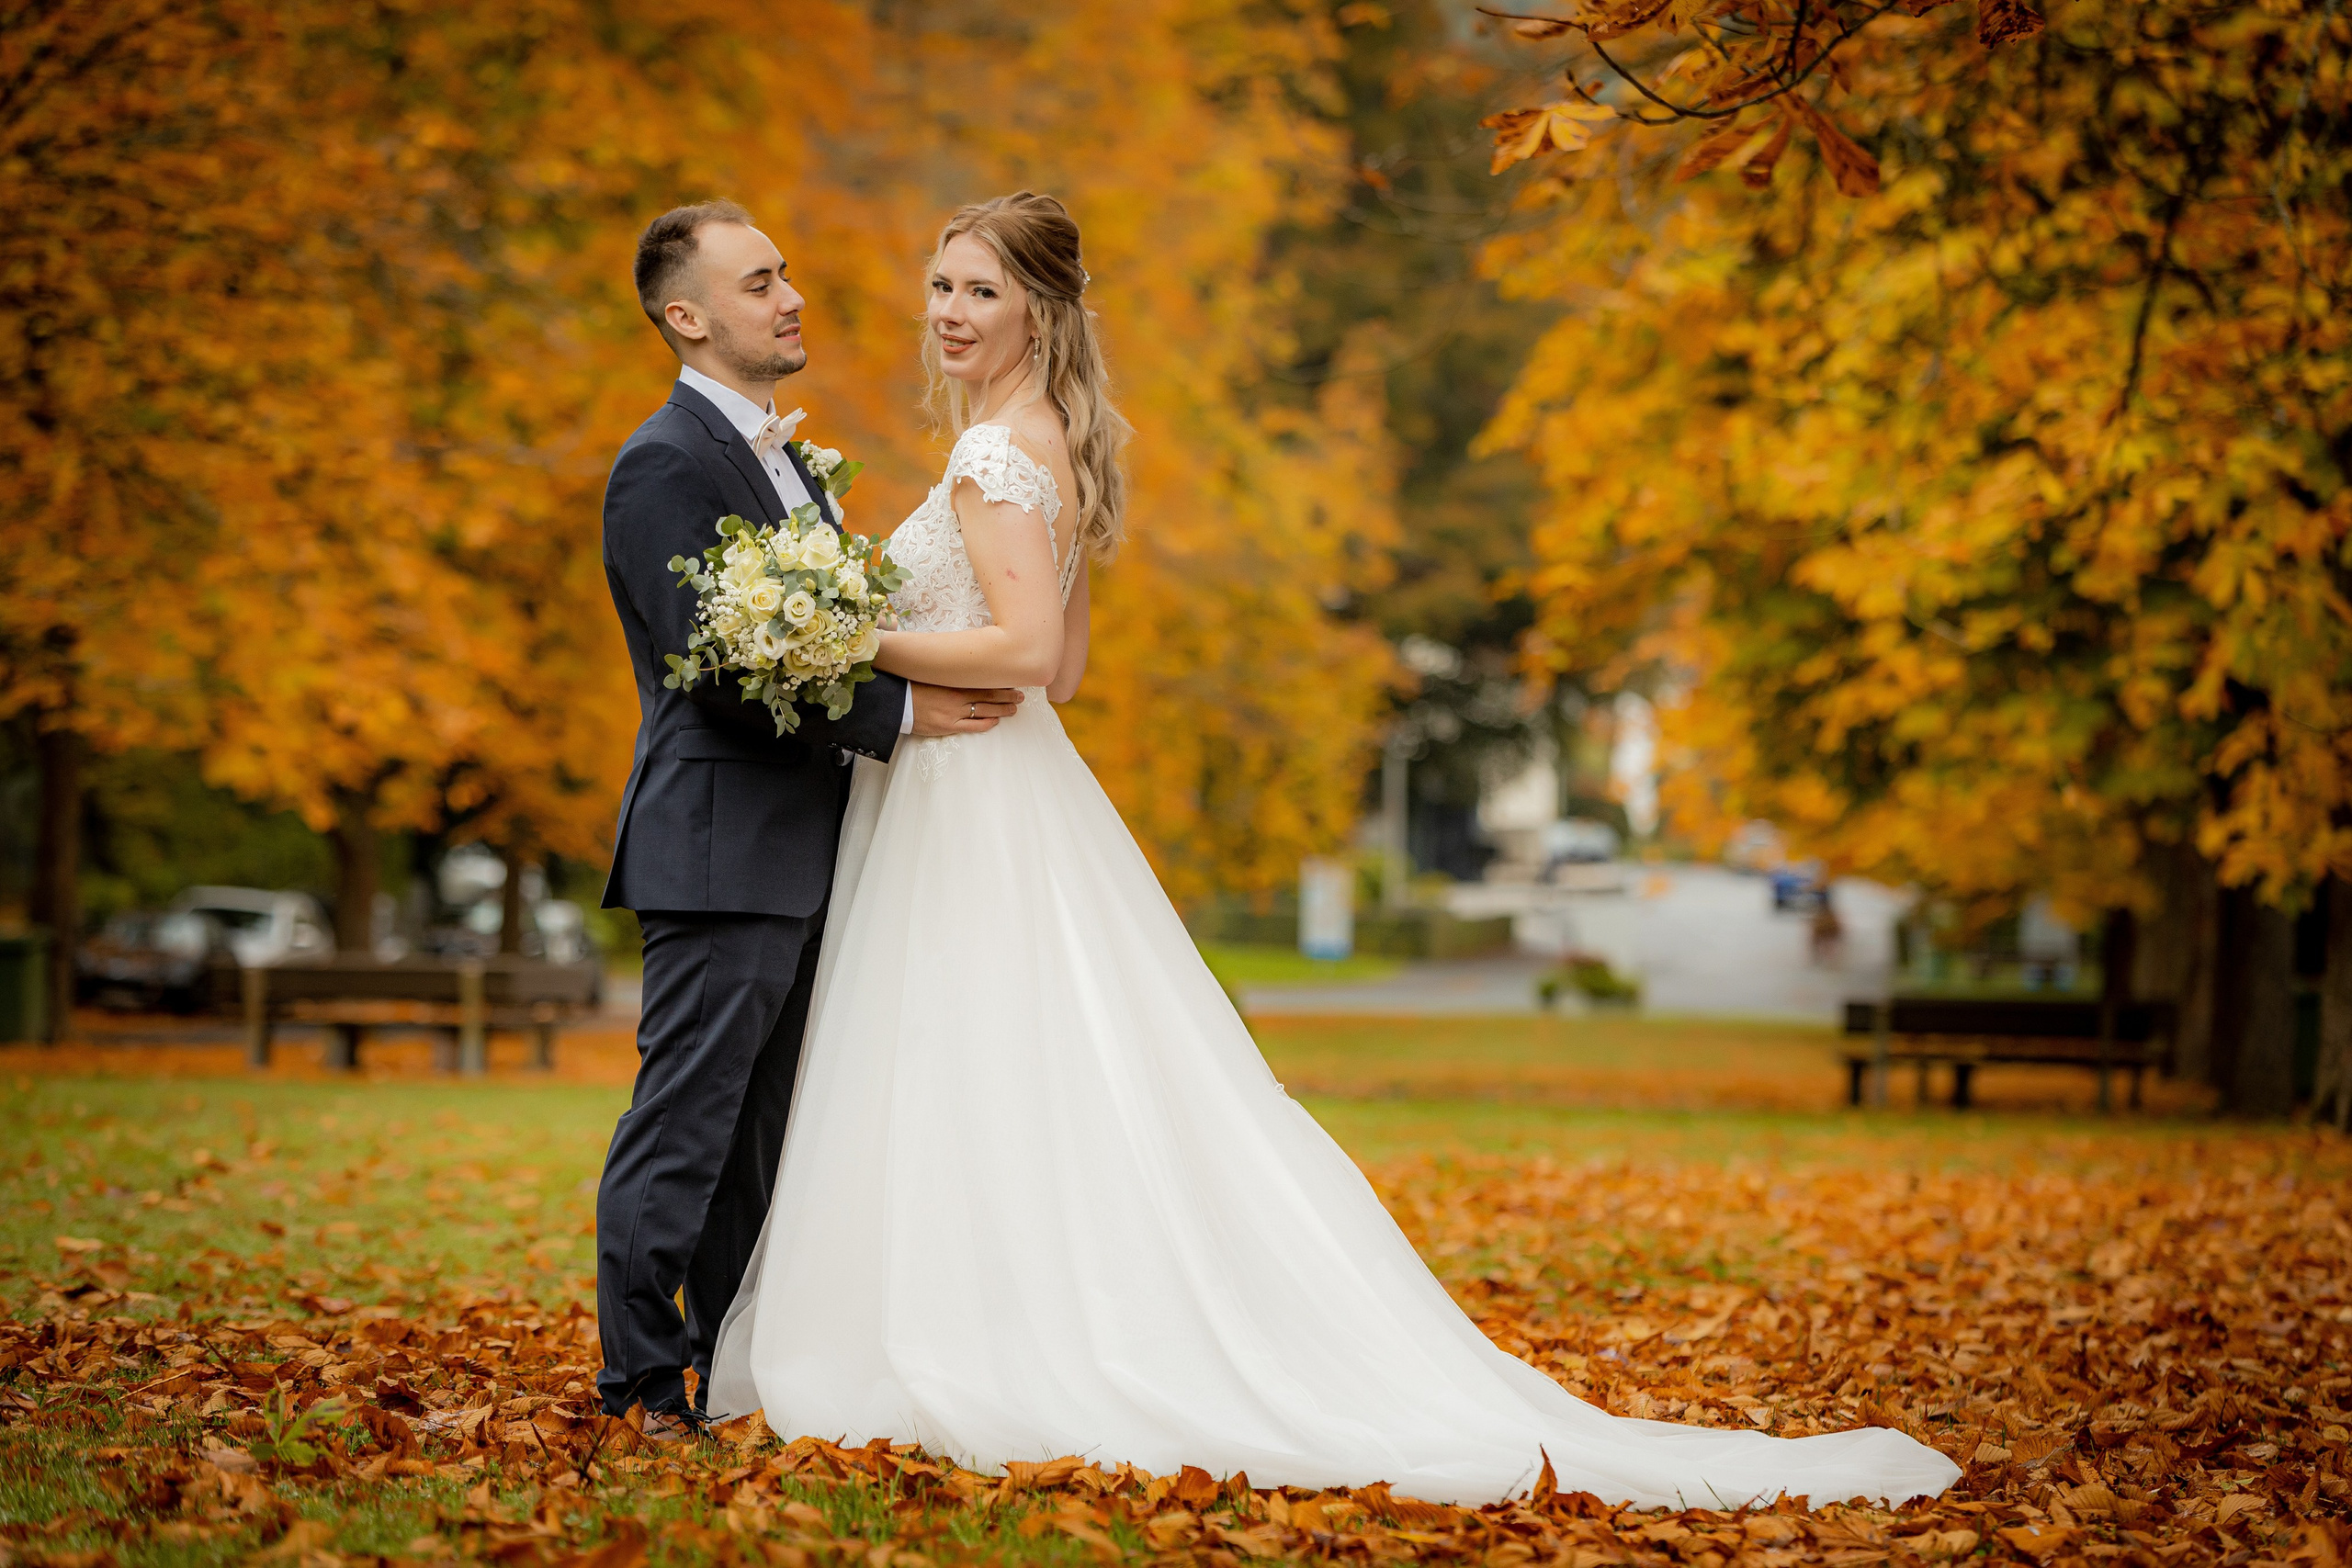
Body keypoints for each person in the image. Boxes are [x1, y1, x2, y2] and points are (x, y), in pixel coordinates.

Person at [700, 191, 1962, 1511]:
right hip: (995, 780)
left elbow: (1024, 654)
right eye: (941, 284)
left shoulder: (994, 454)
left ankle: (974, 1336)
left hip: (973, 795)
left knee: (964, 1053)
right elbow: (1064, 670)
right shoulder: (1054, 440)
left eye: (982, 291)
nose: (949, 313)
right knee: (1005, 1060)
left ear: (1041, 310)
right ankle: (986, 1311)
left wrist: (851, 639)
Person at [593, 200, 1025, 1439]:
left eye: (784, 275)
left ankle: (729, 1375)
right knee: (686, 1128)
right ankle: (638, 1388)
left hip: (805, 846)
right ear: (687, 317)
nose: (790, 299)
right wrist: (904, 713)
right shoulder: (665, 462)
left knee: (763, 1145)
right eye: (757, 283)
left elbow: (811, 633)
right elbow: (718, 668)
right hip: (719, 848)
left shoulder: (784, 457)